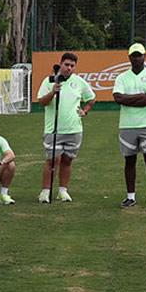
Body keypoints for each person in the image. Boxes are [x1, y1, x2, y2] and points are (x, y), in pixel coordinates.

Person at [36, 52, 94, 204]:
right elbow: (42, 102)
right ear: (60, 64)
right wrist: (53, 92)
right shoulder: (49, 81)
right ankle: (45, 192)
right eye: (66, 65)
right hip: (53, 129)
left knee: (67, 160)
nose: (69, 68)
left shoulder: (79, 82)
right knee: (52, 160)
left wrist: (85, 111)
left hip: (74, 129)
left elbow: (91, 98)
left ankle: (63, 191)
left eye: (72, 66)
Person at [113, 43, 146, 209]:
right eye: (134, 55)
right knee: (129, 161)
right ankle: (130, 196)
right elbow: (118, 98)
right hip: (127, 125)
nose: (137, 58)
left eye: (139, 55)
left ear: (145, 56)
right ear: (129, 57)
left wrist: (130, 99)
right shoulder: (122, 77)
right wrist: (141, 96)